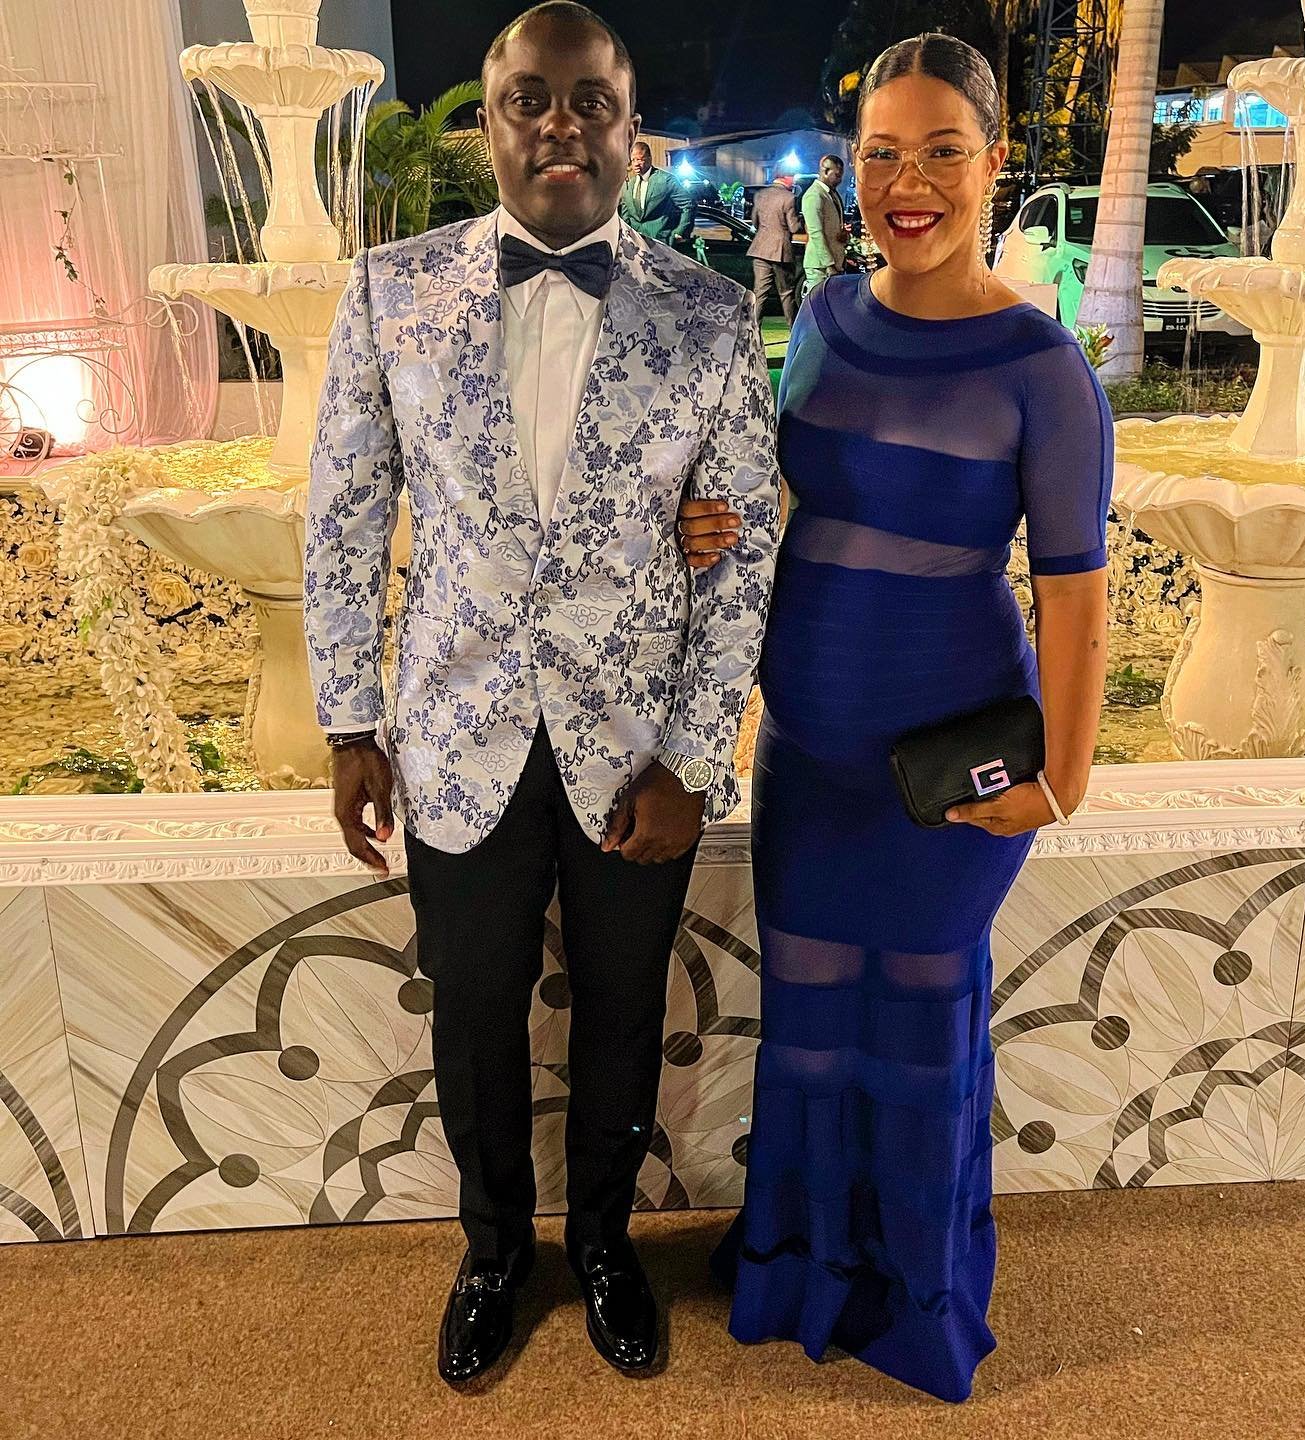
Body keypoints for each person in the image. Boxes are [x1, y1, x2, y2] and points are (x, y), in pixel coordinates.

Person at [303, 0, 781, 1391]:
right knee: (473, 1014)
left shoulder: (708, 314)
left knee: (625, 1011)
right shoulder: (390, 290)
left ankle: (610, 1245)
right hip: (456, 736)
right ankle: (494, 1252)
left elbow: (744, 544)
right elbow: (344, 518)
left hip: (638, 749)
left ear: (634, 135)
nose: (560, 123)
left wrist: (696, 755)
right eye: (529, 98)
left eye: (591, 101)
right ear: (492, 125)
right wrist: (349, 723)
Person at [680, 31, 1112, 1404]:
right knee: (810, 1009)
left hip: (946, 761)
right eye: (880, 154)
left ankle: (913, 1298)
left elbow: (1077, 599)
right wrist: (711, 528)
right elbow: (784, 503)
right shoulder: (822, 320)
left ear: (994, 164)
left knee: (919, 1011)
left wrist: (1061, 779)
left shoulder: (1043, 369)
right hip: (809, 746)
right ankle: (805, 1267)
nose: (906, 184)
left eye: (940, 152)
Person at [746, 169, 802, 324]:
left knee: (759, 293)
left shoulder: (760, 195)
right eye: (792, 177)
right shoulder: (789, 198)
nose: (794, 180)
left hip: (760, 249)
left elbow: (755, 221)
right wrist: (801, 221)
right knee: (786, 293)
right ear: (786, 177)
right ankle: (793, 329)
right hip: (780, 251)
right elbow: (794, 227)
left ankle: (753, 330)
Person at [618, 139, 692, 246]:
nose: (636, 164)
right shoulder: (629, 184)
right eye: (633, 160)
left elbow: (688, 205)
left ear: (649, 159)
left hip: (660, 243)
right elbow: (626, 215)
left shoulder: (666, 180)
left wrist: (679, 232)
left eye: (640, 159)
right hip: (635, 245)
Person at [800, 154, 849, 296]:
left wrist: (843, 236)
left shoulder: (831, 194)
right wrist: (829, 265)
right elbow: (816, 233)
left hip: (834, 263)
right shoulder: (814, 195)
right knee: (817, 305)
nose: (840, 180)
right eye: (837, 175)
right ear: (825, 171)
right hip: (820, 267)